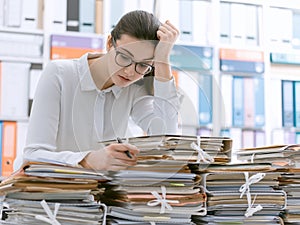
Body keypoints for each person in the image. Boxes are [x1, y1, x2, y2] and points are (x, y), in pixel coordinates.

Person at [15, 10, 181, 171]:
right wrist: (89, 159)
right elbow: (33, 155)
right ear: (109, 43)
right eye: (124, 57)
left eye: (143, 65)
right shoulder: (59, 74)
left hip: (98, 193)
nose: (130, 72)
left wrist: (162, 61)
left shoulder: (134, 88)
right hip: (46, 192)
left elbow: (166, 137)